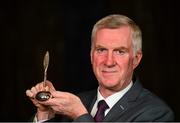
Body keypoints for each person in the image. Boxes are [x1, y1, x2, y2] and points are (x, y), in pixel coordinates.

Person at [26, 14, 174, 122]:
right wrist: (44, 114)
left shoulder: (157, 114)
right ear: (91, 56)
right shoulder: (79, 101)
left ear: (135, 59)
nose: (109, 62)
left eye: (120, 51)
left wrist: (80, 115)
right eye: (101, 50)